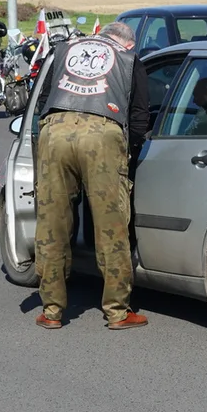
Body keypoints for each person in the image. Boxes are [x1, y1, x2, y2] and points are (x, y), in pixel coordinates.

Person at [32, 21, 150, 330]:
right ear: (127, 45)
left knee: (52, 223)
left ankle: (52, 311)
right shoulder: (129, 60)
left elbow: (42, 101)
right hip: (102, 134)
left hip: (54, 131)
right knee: (111, 225)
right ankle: (118, 312)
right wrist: (128, 152)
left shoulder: (63, 50)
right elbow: (139, 116)